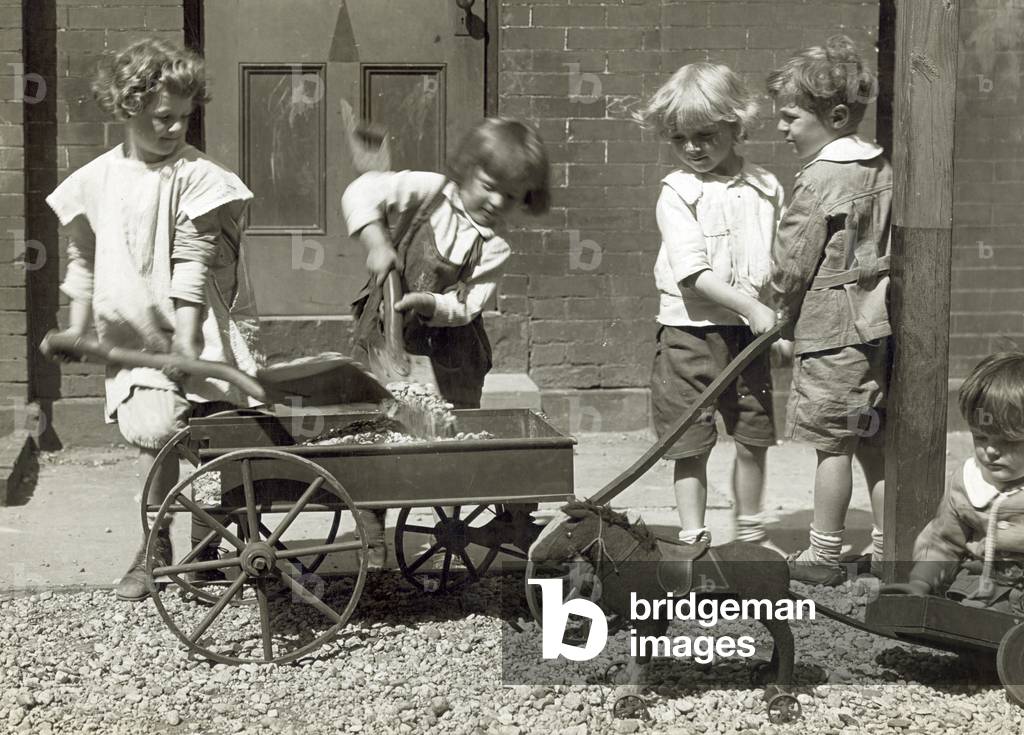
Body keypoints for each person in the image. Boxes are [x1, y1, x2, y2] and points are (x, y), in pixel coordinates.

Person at [43, 38, 262, 600]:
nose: (174, 130)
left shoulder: (196, 176)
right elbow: (82, 259)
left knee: (224, 438)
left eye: (184, 119)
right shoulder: (95, 182)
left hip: (205, 333)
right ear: (128, 107)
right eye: (163, 118)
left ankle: (210, 545)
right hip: (136, 337)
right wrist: (77, 326)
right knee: (157, 434)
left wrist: (189, 347)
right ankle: (154, 543)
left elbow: (192, 266)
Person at [341, 117, 551, 567]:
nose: (496, 201)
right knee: (379, 426)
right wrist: (377, 242)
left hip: (451, 349)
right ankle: (371, 521)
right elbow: (360, 191)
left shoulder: (494, 247)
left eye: (511, 197)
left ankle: (456, 514)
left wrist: (430, 303)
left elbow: (468, 305)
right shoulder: (428, 190)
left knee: (452, 432)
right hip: (388, 336)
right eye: (490, 185)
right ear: (467, 167)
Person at [635, 63, 783, 550]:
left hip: (749, 334)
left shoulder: (766, 187)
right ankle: (694, 535)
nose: (693, 148)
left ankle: (750, 534)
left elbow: (779, 259)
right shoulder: (678, 192)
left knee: (752, 435)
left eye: (705, 134)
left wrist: (775, 313)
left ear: (736, 127)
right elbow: (692, 274)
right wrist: (754, 309)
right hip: (690, 334)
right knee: (689, 441)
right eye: (680, 138)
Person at [767, 35, 892, 585]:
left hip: (831, 333)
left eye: (790, 117)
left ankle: (823, 554)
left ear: (835, 116)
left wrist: (777, 309)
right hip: (875, 327)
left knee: (832, 444)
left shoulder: (820, 178)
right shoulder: (880, 167)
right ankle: (890, 550)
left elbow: (793, 262)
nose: (782, 128)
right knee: (870, 439)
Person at [883, 353, 1024, 613]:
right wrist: (921, 581)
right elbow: (943, 540)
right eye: (981, 438)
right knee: (962, 613)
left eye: (1008, 441)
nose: (991, 451)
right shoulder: (969, 483)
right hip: (979, 589)